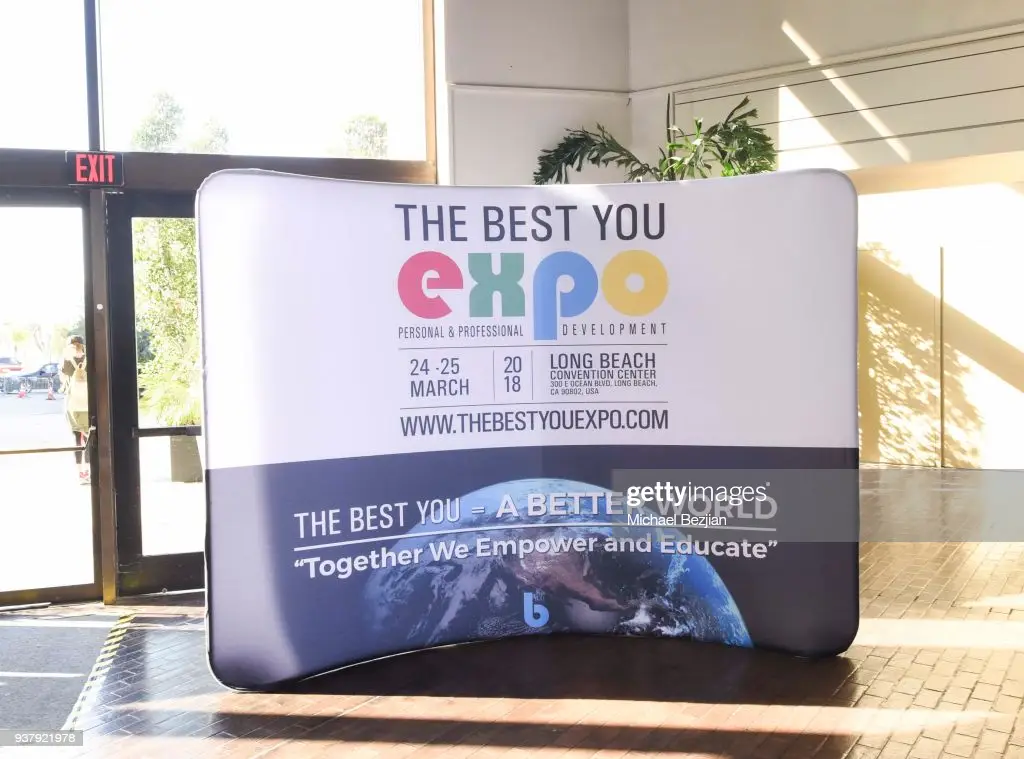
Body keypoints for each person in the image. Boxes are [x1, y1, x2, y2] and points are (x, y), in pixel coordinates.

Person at [61, 336, 91, 484]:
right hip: (89, 405)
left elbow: (63, 381)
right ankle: (89, 472)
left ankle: (81, 474)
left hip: (74, 407)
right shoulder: (90, 359)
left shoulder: (67, 361)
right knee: (89, 439)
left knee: (77, 439)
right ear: (83, 345)